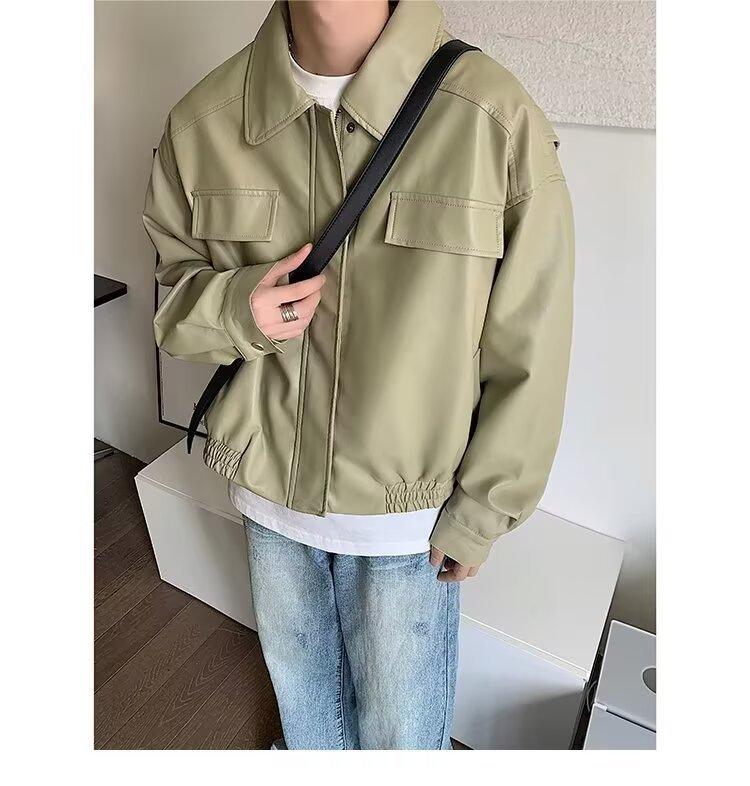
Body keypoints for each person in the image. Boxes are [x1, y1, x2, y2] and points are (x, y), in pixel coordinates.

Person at [143, 0, 574, 750]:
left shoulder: (493, 120)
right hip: (268, 496)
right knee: (306, 721)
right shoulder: (201, 124)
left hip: (410, 519)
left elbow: (531, 343)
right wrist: (237, 307)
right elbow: (174, 305)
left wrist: (484, 508)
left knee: (403, 740)